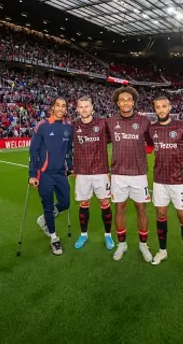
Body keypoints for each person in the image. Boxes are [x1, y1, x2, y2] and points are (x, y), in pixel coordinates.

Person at [149, 96, 183, 277]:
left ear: (170, 107)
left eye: (164, 106)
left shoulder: (181, 126)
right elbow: (147, 149)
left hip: (179, 182)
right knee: (161, 215)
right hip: (159, 181)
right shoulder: (152, 128)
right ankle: (162, 251)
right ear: (154, 109)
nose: (161, 110)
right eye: (158, 107)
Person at [107, 87, 153, 262]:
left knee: (141, 209)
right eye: (122, 100)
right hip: (118, 173)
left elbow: (150, 144)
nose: (125, 102)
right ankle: (122, 244)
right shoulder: (110, 122)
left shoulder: (144, 121)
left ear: (133, 102)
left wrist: (138, 156)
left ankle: (143, 245)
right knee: (119, 209)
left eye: (128, 99)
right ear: (117, 103)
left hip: (139, 174)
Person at [28, 97, 74, 256]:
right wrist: (32, 174)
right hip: (44, 174)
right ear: (52, 108)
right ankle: (54, 238)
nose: (61, 108)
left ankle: (44, 220)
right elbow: (33, 152)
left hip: (61, 173)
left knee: (66, 203)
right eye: (58, 105)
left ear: (66, 109)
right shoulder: (42, 126)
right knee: (47, 206)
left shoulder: (69, 127)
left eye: (64, 106)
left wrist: (71, 166)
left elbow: (68, 150)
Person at [71, 96, 114, 250]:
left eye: (87, 106)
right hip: (82, 172)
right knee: (84, 204)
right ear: (77, 109)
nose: (84, 109)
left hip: (100, 171)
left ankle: (108, 235)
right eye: (81, 107)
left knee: (104, 203)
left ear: (92, 108)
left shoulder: (103, 123)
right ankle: (83, 235)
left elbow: (114, 138)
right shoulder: (74, 125)